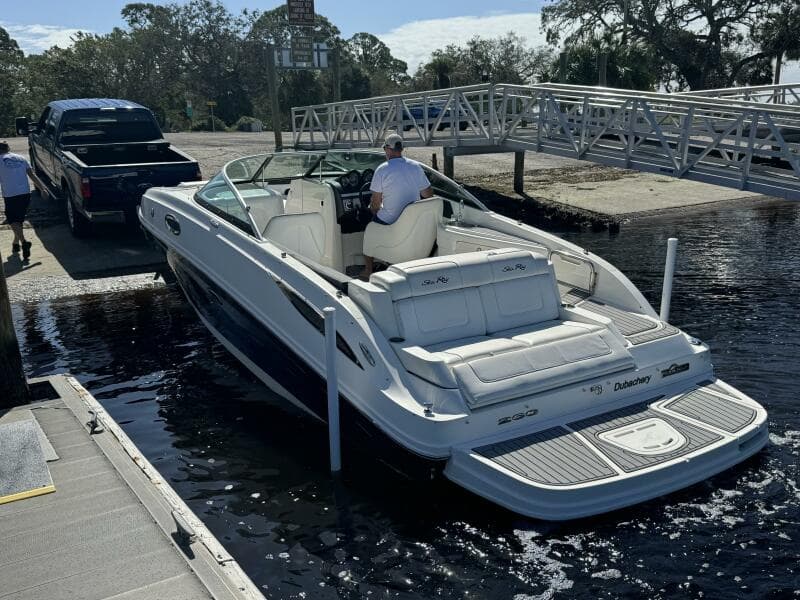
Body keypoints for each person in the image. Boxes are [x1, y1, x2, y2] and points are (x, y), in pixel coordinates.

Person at [363, 133, 433, 278]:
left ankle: (368, 270)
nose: (385, 152)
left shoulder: (382, 169)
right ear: (401, 149)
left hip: (390, 219)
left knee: (369, 229)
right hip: (413, 220)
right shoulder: (415, 166)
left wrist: (374, 211)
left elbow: (375, 203)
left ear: (388, 149)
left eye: (384, 148)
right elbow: (428, 195)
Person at [0, 141, 34, 260]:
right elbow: (32, 175)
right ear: (8, 148)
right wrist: (43, 188)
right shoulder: (21, 158)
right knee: (18, 220)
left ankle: (24, 242)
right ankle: (15, 244)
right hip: (25, 194)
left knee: (12, 220)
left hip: (11, 195)